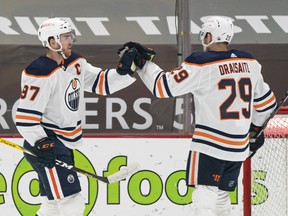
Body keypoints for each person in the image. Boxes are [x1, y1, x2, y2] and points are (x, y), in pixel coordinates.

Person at [121, 16, 277, 216]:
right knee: (222, 197)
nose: (203, 37)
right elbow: (266, 105)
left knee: (204, 196)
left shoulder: (201, 63)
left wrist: (143, 64)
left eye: (206, 33)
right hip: (238, 147)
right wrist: (255, 129)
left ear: (212, 36)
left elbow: (163, 87)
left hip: (210, 143)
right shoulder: (250, 62)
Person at [15, 18, 138, 216]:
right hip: (47, 144)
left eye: (70, 35)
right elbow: (25, 118)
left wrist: (125, 71)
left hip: (61, 144)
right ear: (52, 41)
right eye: (65, 37)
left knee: (52, 205)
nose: (70, 40)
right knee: (72, 201)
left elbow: (100, 82)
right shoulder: (39, 71)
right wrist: (42, 144)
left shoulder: (75, 63)